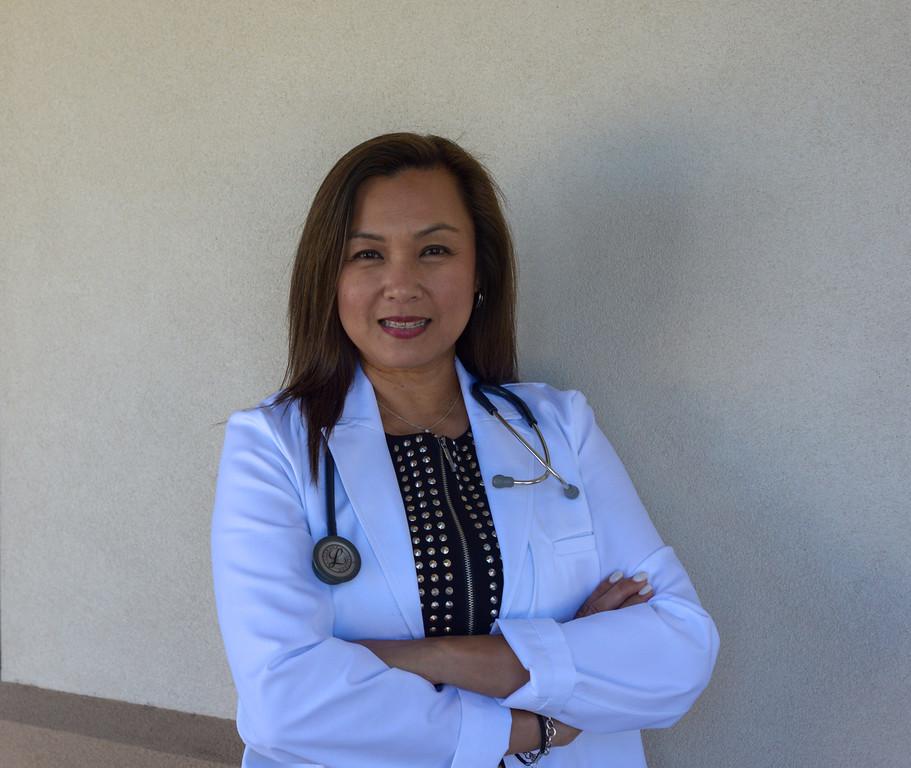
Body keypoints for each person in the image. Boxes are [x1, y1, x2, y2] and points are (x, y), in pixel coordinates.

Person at [210, 132, 719, 768]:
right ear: (329, 279)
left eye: (435, 250)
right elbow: (285, 702)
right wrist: (536, 712)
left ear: (481, 273)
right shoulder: (275, 447)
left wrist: (429, 656)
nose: (401, 284)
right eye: (367, 254)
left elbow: (679, 650)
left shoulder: (559, 427)